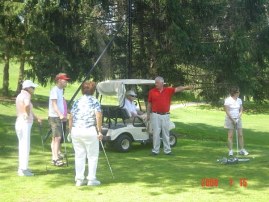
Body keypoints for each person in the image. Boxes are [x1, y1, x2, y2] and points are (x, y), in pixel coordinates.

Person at [69, 81, 103, 186]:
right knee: (92, 155)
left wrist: (70, 131)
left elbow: (71, 117)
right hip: (89, 130)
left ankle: (79, 179)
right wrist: (99, 131)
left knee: (79, 155)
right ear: (93, 90)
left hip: (76, 130)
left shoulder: (77, 101)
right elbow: (98, 116)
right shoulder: (94, 101)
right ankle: (91, 179)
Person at [147, 76, 192, 155]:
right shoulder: (152, 91)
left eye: (157, 82)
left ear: (162, 83)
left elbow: (178, 89)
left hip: (165, 115)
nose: (155, 84)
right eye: (155, 82)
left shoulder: (168, 90)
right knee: (156, 133)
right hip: (155, 115)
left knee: (166, 133)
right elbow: (149, 104)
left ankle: (167, 151)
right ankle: (155, 151)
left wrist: (186, 87)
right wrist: (148, 114)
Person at [15, 80, 42, 176]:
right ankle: (23, 169)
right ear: (28, 88)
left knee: (22, 145)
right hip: (25, 122)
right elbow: (27, 106)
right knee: (25, 146)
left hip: (19, 121)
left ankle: (22, 168)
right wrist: (27, 114)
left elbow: (28, 109)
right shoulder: (27, 95)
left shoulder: (20, 95)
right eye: (32, 87)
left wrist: (36, 118)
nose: (34, 89)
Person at [48, 73, 70, 166]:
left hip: (59, 117)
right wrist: (60, 114)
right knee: (57, 138)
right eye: (64, 80)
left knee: (55, 138)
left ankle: (55, 157)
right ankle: (55, 158)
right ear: (59, 80)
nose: (66, 82)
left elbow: (61, 104)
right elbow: (54, 104)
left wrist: (65, 113)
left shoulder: (61, 90)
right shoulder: (55, 90)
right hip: (54, 117)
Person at [224, 86, 249, 156]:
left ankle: (241, 150)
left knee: (240, 135)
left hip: (238, 118)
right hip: (229, 118)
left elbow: (241, 110)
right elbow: (227, 111)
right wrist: (232, 119)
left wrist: (238, 118)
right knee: (230, 136)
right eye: (238, 91)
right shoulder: (227, 100)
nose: (239, 92)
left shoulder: (239, 100)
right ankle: (230, 151)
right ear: (234, 93)